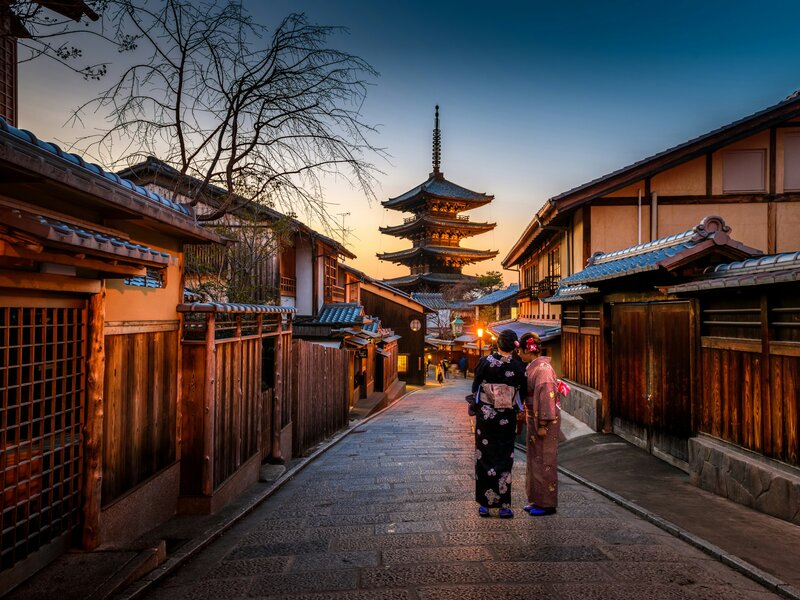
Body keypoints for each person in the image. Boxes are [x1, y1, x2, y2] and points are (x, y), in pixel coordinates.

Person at [470, 329, 526, 518]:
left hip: (486, 417)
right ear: (514, 346)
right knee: (504, 457)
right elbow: (522, 391)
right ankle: (504, 505)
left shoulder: (485, 362)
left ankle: (484, 504)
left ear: (498, 344)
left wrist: (476, 406)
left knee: (484, 456)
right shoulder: (518, 366)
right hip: (506, 417)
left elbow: (476, 387)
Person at [518, 331, 560, 516]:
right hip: (534, 417)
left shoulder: (542, 370)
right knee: (534, 459)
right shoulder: (533, 367)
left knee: (545, 460)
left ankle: (547, 504)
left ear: (529, 349)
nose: (519, 354)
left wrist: (543, 424)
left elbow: (546, 398)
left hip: (544, 421)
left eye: (521, 350)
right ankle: (535, 499)